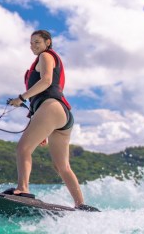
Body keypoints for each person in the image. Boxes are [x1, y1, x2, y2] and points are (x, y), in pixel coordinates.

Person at [7, 30, 95, 210]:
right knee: (61, 166)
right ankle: (81, 205)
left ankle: (22, 189)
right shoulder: (46, 56)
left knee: (23, 149)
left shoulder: (45, 56)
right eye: (31, 43)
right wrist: (42, 128)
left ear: (48, 42)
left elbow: (46, 81)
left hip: (51, 108)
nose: (33, 46)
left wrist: (21, 98)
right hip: (61, 115)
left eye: (37, 42)